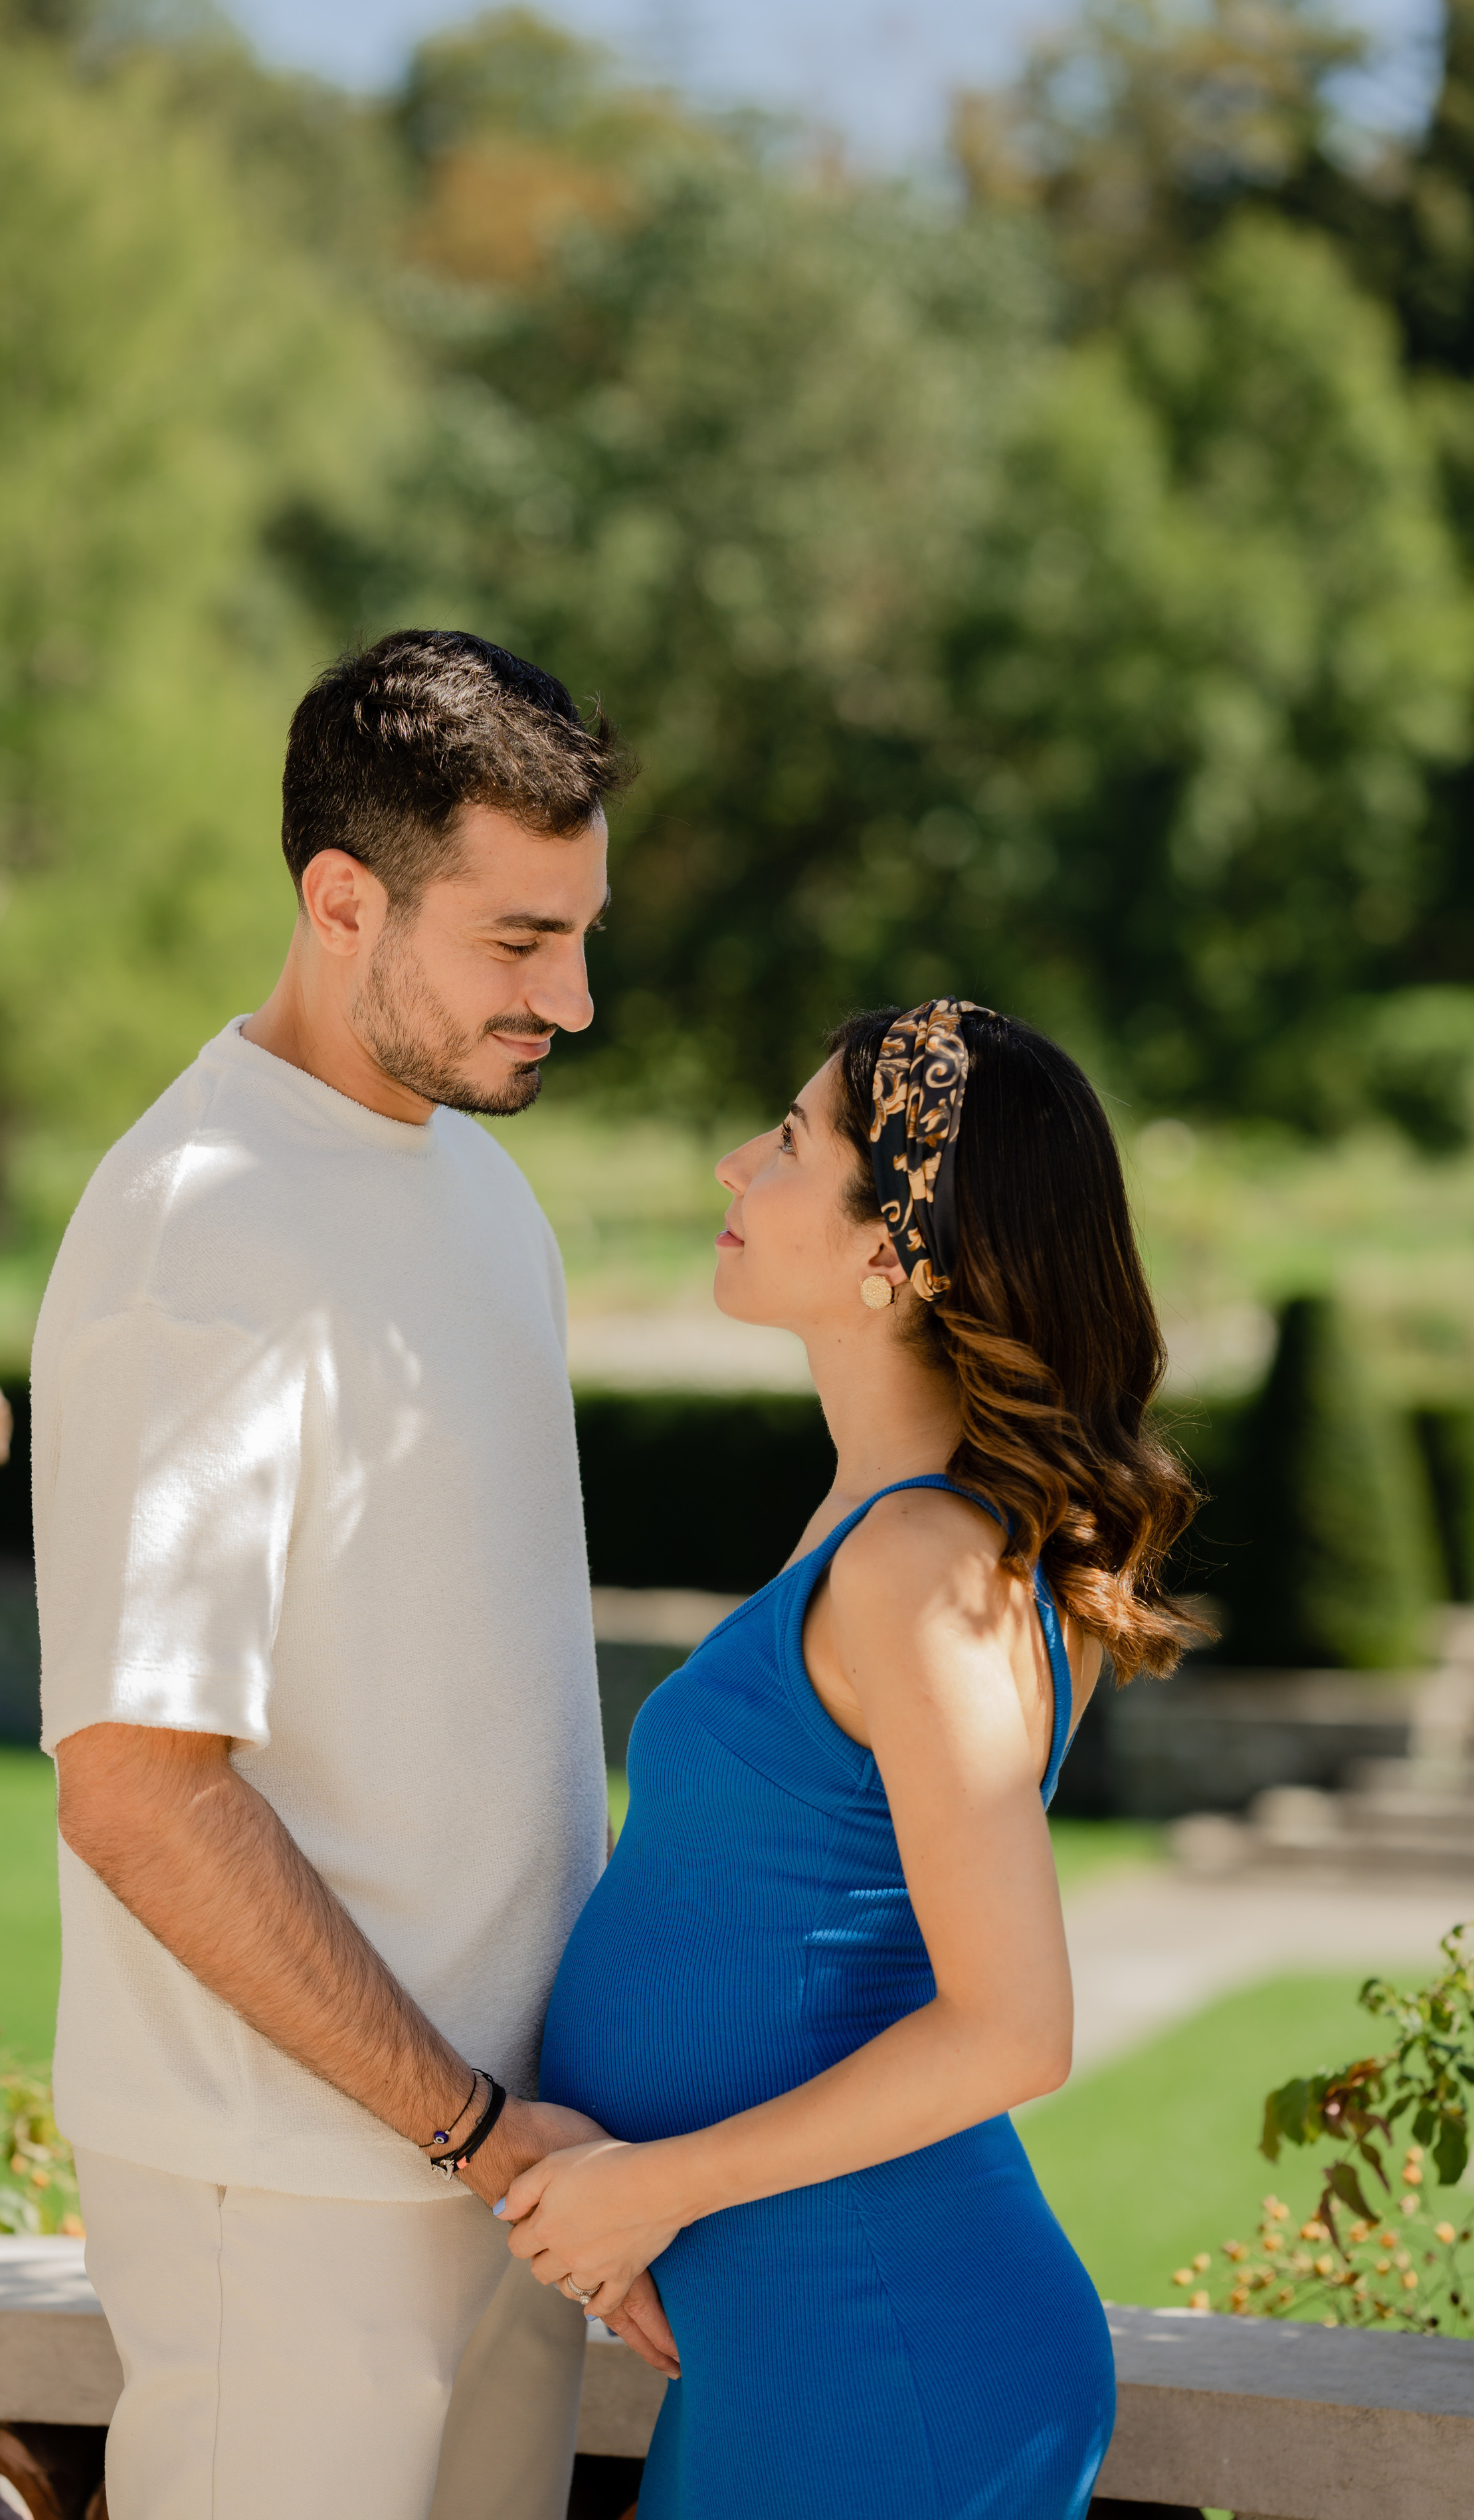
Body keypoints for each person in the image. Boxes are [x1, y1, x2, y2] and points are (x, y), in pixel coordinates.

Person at [33, 629, 670, 2520]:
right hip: (290, 2194)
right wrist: (467, 2124)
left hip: (507, 2179)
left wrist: (521, 2143)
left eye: (581, 933)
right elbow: (139, 1790)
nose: (568, 997)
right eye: (514, 940)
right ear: (340, 900)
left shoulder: (477, 1183)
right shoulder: (201, 1237)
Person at [511, 998, 1202, 2518]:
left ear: (897, 1250)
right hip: (789, 2333)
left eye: (789, 1141)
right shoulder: (887, 1531)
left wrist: (654, 2186)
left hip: (879, 2343)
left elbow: (1010, 2030)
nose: (728, 1166)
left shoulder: (920, 1568)